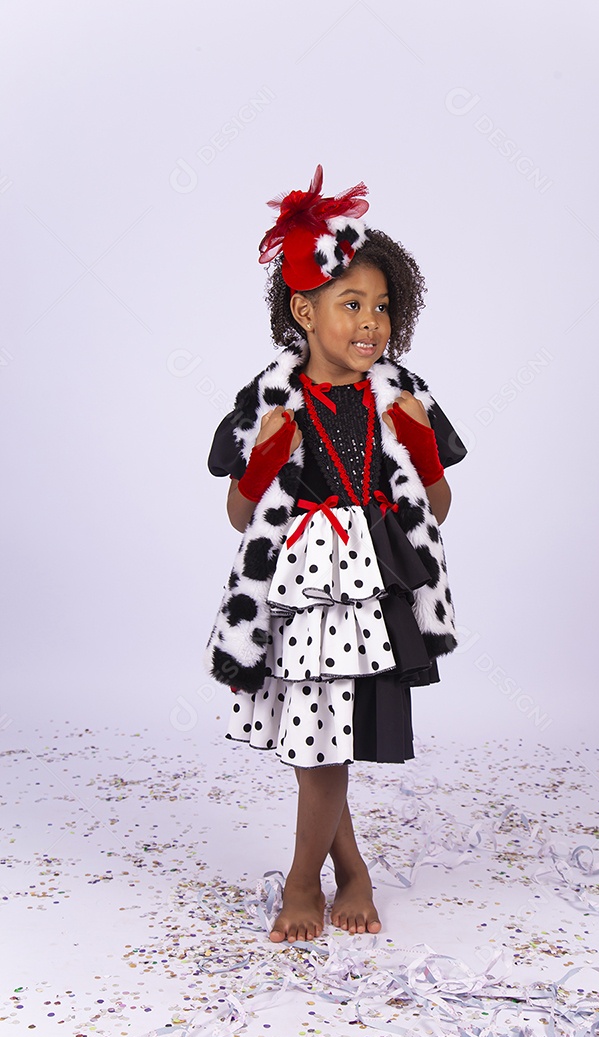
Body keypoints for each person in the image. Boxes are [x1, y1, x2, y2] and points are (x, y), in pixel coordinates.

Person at [204, 165, 467, 944]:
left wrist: (422, 446)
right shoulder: (269, 401)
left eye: (382, 307)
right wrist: (261, 461)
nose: (371, 324)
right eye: (352, 304)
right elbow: (240, 515)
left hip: (372, 588)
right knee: (320, 740)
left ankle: (316, 880)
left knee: (328, 740)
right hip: (301, 588)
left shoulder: (401, 394)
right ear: (304, 310)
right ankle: (333, 877)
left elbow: (437, 508)